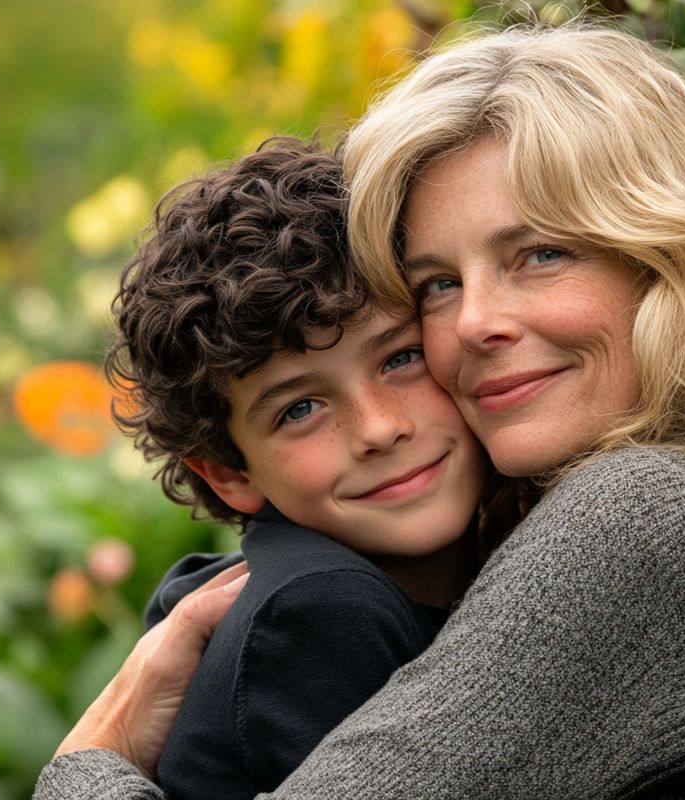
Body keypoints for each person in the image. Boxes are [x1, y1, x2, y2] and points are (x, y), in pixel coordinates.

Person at [35, 22, 685, 799]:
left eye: (540, 255)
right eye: (438, 285)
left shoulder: (654, 524)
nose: (477, 323)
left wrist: (90, 757)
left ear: (672, 257)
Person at [100, 139, 495, 800]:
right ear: (230, 473)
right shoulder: (322, 610)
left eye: (400, 358)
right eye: (301, 408)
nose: (378, 428)